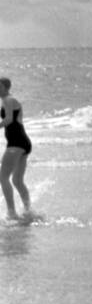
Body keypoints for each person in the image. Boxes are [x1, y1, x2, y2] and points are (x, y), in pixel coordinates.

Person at [0, 78, 32, 220]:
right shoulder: (10, 100)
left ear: (6, 87)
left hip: (16, 142)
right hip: (23, 142)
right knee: (17, 180)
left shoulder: (8, 99)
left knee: (3, 177)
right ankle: (28, 211)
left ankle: (12, 213)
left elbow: (8, 120)